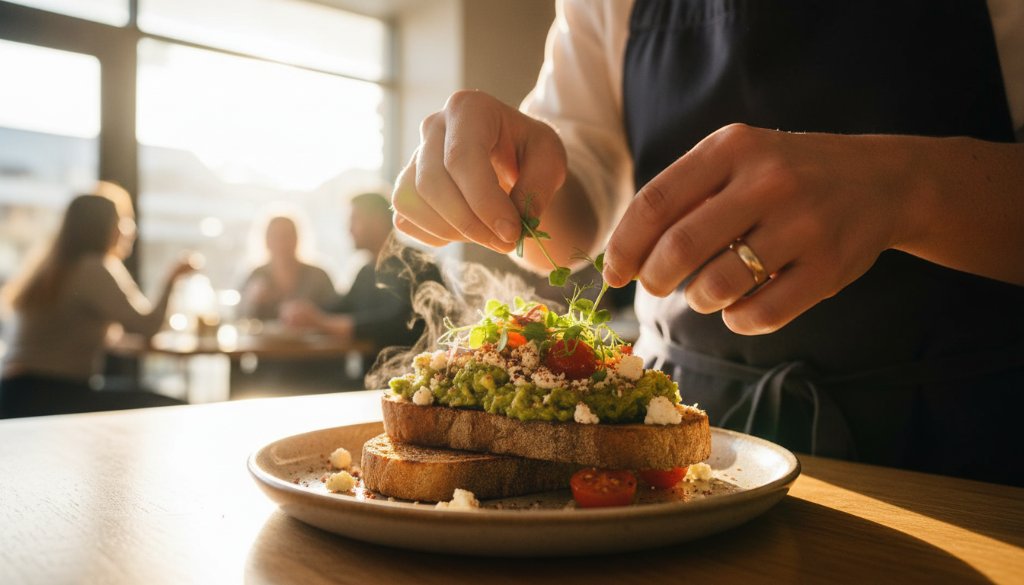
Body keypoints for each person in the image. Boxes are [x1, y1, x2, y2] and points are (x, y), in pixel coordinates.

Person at [389, 0, 1024, 486]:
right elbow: (577, 203)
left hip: (971, 438)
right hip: (692, 423)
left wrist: (907, 187)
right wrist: (513, 182)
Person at [0, 182, 194, 418]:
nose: (128, 229)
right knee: (176, 409)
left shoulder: (54, 266)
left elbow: (69, 335)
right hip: (53, 394)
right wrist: (172, 278)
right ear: (105, 227)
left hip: (16, 392)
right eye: (121, 221)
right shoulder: (92, 268)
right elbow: (148, 326)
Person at [281, 192, 438, 356]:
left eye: (355, 220)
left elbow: (400, 324)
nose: (349, 229)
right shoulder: (367, 271)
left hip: (413, 374)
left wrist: (323, 323)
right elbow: (342, 307)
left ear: (378, 221)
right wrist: (305, 312)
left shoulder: (415, 264)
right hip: (371, 375)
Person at [238, 215, 336, 322]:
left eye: (287, 236)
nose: (281, 242)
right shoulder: (256, 275)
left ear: (297, 239)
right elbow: (238, 317)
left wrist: (312, 315)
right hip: (266, 339)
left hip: (310, 338)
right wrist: (252, 301)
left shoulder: (318, 276)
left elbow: (337, 315)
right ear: (266, 240)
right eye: (275, 236)